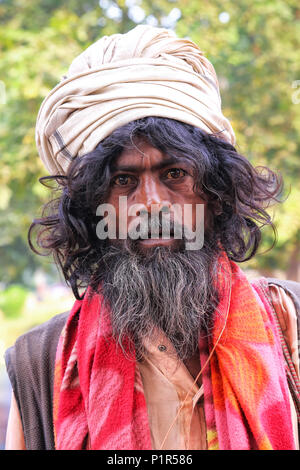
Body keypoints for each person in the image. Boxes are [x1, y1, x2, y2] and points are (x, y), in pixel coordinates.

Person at [4, 25, 300, 451]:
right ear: (92, 208)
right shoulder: (42, 363)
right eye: (124, 180)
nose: (151, 204)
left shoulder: (290, 328)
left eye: (174, 174)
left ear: (215, 193)